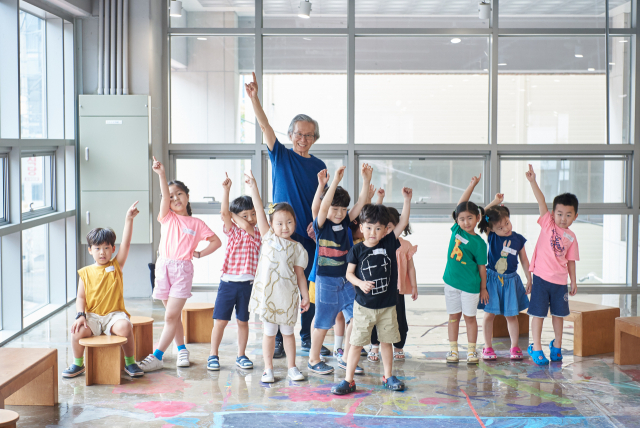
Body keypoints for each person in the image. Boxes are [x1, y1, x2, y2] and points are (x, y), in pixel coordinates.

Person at [245, 72, 327, 357]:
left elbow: (322, 201)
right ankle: (279, 338)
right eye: (298, 133)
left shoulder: (319, 165)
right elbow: (265, 125)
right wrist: (254, 98)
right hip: (280, 234)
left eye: (308, 134)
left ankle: (305, 334)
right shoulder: (280, 154)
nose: (302, 138)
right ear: (290, 134)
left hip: (309, 234)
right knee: (279, 283)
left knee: (308, 285)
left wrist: (319, 226)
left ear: (314, 138)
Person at [138, 157, 222, 372]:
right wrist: (161, 175)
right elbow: (165, 196)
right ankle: (182, 349)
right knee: (172, 316)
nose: (175, 198)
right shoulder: (167, 218)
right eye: (171, 195)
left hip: (182, 270)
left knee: (170, 316)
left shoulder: (196, 223)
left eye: (179, 194)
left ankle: (157, 356)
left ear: (187, 196)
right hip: (163, 268)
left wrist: (200, 253)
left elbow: (216, 241)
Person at [332, 186, 413, 396]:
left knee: (386, 342)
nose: (373, 233)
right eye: (368, 228)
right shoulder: (357, 249)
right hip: (364, 307)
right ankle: (348, 380)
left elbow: (403, 221)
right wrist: (360, 283)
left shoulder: (388, 242)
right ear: (360, 226)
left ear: (386, 229)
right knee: (356, 343)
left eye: (378, 229)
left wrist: (407, 200)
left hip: (387, 307)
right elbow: (349, 274)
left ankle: (388, 376)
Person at [63, 202, 144, 379]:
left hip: (114, 315)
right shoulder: (85, 272)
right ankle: (78, 364)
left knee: (125, 326)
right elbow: (81, 297)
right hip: (92, 317)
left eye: (107, 248)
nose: (102, 252)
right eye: (98, 248)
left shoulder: (116, 266)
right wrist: (80, 315)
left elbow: (127, 243)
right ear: (90, 250)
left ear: (113, 249)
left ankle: (130, 362)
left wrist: (128, 219)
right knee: (77, 332)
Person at [245, 171, 311, 383]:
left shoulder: (297, 248)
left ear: (295, 222)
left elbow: (300, 275)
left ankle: (292, 368)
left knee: (289, 334)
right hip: (269, 298)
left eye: (289, 222)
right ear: (272, 225)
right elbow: (258, 210)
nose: (284, 227)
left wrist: (305, 295)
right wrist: (253, 187)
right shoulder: (268, 238)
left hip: (288, 297)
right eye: (280, 223)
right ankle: (268, 369)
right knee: (270, 333)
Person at [307, 165, 371, 376]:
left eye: (343, 209)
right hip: (326, 280)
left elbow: (361, 203)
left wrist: (365, 180)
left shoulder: (344, 223)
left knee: (356, 318)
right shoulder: (321, 224)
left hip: (346, 280)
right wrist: (333, 182)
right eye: (336, 209)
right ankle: (313, 359)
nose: (340, 213)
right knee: (323, 323)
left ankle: (345, 359)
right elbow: (323, 207)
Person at [525, 164, 579, 366]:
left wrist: (573, 281)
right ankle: (536, 347)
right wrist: (533, 181)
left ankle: (556, 346)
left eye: (568, 214)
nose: (563, 218)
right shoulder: (548, 222)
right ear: (553, 213)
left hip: (560, 282)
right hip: (541, 278)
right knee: (538, 314)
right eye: (560, 213)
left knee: (559, 315)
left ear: (575, 216)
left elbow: (571, 261)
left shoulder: (572, 237)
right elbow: (541, 201)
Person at [208, 173, 261, 371]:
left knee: (243, 322)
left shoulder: (256, 233)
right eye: (246, 214)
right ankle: (213, 355)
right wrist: (226, 191)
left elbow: (246, 225)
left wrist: (235, 215)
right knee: (220, 321)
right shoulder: (232, 231)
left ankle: (241, 355)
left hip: (247, 285)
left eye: (253, 214)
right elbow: (224, 214)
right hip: (228, 283)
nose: (251, 219)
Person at [477, 193, 531, 361]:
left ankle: (514, 347)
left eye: (507, 223)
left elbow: (524, 260)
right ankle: (487, 347)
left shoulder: (518, 239)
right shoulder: (491, 236)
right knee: (489, 315)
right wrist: (495, 202)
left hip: (511, 280)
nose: (506, 228)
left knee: (511, 315)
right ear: (491, 229)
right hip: (492, 280)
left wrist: (529, 278)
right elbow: (481, 217)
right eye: (500, 228)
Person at [442, 175, 488, 365]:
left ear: (477, 218)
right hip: (451, 282)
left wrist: (483, 288)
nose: (466, 222)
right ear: (457, 220)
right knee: (453, 317)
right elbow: (460, 204)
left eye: (470, 218)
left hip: (470, 286)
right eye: (461, 219)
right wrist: (471, 185)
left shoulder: (479, 243)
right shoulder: (456, 231)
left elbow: (482, 268)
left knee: (470, 318)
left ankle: (471, 351)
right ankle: (453, 350)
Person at [368, 205, 418, 363]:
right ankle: (374, 345)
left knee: (399, 320)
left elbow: (411, 267)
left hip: (396, 291)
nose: (385, 231)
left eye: (389, 227)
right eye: (383, 227)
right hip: (378, 290)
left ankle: (398, 346)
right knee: (375, 319)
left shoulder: (405, 245)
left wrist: (414, 286)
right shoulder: (376, 244)